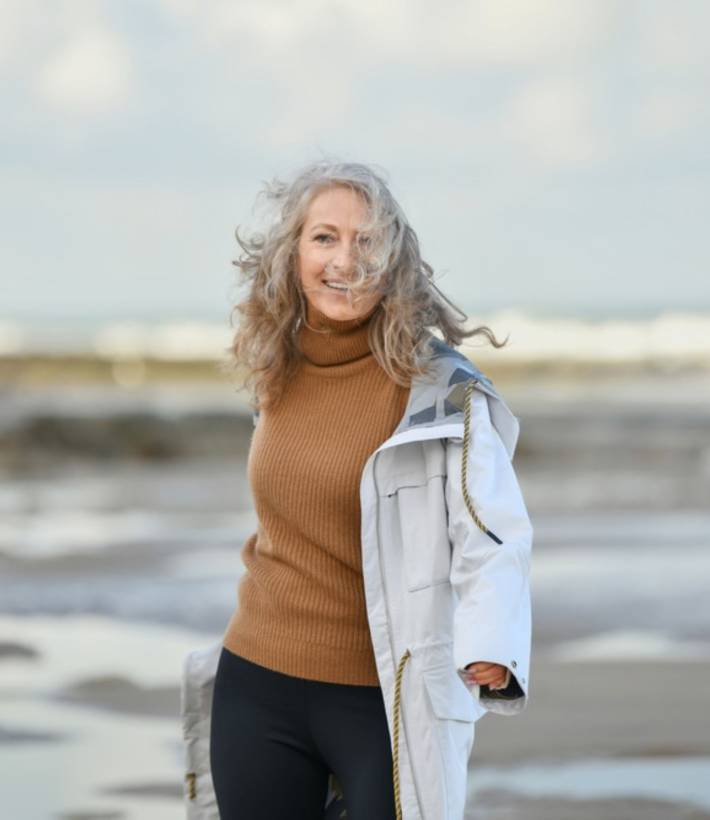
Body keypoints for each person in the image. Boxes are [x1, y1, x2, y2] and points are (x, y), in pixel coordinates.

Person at [209, 159, 532, 820]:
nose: (345, 260)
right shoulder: (278, 362)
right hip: (258, 679)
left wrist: (491, 643)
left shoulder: (439, 389)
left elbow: (492, 526)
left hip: (385, 694)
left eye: (367, 241)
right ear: (291, 254)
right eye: (324, 237)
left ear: (396, 263)